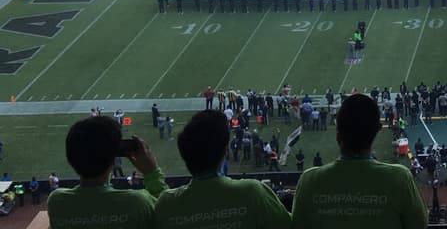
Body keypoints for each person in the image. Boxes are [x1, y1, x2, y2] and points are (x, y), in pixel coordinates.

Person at [291, 93, 427, 228]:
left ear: (338, 134)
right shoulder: (400, 179)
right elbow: (419, 225)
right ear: (377, 131)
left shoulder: (309, 181)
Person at [155, 110, 290, 229]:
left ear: (184, 155)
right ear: (225, 151)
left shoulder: (166, 203)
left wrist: (152, 174)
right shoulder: (253, 192)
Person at [49, 116, 166, 228]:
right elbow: (167, 212)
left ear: (71, 157)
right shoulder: (137, 203)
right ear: (114, 159)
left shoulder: (57, 202)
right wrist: (152, 173)